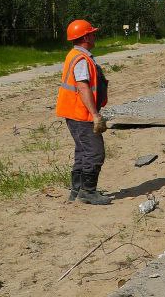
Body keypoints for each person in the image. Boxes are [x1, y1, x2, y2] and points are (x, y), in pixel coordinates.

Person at [54, 19, 112, 205]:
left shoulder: (74, 54)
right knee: (95, 153)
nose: (94, 35)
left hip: (72, 113)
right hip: (81, 114)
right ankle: (88, 192)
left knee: (83, 151)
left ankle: (77, 190)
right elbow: (83, 87)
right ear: (86, 36)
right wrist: (95, 114)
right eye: (92, 33)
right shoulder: (81, 59)